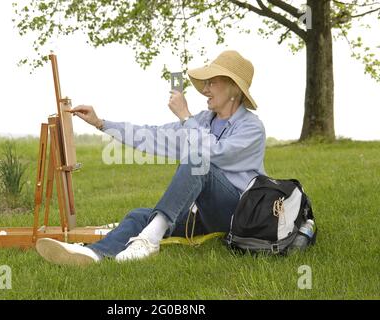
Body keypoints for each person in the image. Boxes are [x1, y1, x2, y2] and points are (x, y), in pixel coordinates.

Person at [36, 50, 266, 266]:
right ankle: (93, 253)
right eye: (205, 83)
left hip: (237, 214)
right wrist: (101, 123)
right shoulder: (204, 121)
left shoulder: (252, 128)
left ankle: (149, 240)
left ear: (234, 88)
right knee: (139, 215)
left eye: (211, 82)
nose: (205, 90)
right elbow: (151, 136)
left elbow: (213, 153)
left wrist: (186, 117)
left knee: (197, 162)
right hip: (204, 214)